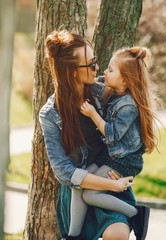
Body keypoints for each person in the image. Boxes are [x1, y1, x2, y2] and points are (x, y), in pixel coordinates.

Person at [39, 30, 136, 240]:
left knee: (118, 233)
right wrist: (112, 185)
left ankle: (138, 216)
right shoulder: (50, 114)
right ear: (74, 71)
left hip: (109, 180)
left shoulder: (104, 92)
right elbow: (63, 171)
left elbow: (128, 129)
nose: (98, 68)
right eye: (91, 64)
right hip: (79, 190)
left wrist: (120, 168)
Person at [69, 47, 160, 240]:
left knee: (89, 195)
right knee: (78, 183)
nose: (104, 72)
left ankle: (136, 214)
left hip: (123, 162)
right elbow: (98, 81)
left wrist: (93, 114)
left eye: (110, 70)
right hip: (110, 157)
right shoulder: (115, 92)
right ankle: (73, 236)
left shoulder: (128, 106)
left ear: (124, 80)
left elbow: (111, 134)